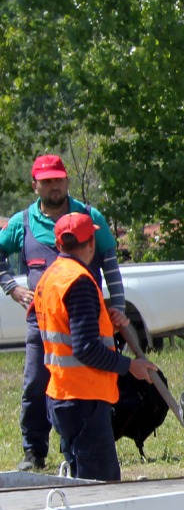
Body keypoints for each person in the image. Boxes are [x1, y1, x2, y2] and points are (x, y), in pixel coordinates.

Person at [1, 154, 128, 471]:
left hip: (83, 317)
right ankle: (34, 452)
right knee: (36, 384)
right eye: (47, 181)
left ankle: (76, 447)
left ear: (67, 180)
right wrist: (11, 287)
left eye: (58, 179)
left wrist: (119, 307)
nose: (54, 186)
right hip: (41, 321)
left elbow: (111, 265)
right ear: (35, 185)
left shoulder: (88, 217)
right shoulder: (23, 223)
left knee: (85, 383)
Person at [32, 212, 155, 481]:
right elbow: (86, 348)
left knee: (81, 484)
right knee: (100, 490)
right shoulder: (80, 282)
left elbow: (60, 328)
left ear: (59, 244)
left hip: (62, 395)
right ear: (90, 244)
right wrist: (130, 366)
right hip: (83, 400)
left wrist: (105, 323)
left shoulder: (50, 278)